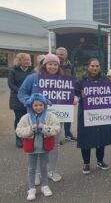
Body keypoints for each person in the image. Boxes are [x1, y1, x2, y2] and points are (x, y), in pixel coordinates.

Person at [18, 54, 64, 183]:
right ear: (44, 65)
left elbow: (66, 96)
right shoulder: (33, 78)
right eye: (50, 64)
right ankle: (37, 173)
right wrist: (29, 101)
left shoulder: (62, 80)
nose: (53, 66)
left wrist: (73, 100)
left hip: (55, 117)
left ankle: (50, 170)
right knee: (37, 144)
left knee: (54, 144)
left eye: (55, 64)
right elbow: (21, 93)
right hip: (35, 117)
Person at [16, 93, 60, 201]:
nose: (38, 107)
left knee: (44, 167)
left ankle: (45, 186)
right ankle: (31, 189)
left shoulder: (51, 116)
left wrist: (45, 128)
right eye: (35, 105)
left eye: (41, 105)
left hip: (45, 147)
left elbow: (57, 128)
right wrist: (30, 129)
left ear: (45, 105)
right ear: (31, 106)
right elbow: (18, 131)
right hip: (31, 148)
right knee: (31, 169)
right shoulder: (25, 118)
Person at [75, 58, 111, 174]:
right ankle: (86, 163)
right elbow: (75, 94)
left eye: (97, 66)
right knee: (86, 139)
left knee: (100, 138)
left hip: (101, 114)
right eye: (93, 66)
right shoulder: (81, 80)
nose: (95, 68)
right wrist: (80, 96)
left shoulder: (105, 79)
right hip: (86, 114)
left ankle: (100, 161)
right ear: (88, 67)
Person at [8, 53, 34, 148]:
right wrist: (22, 92)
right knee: (19, 119)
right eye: (25, 60)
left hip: (30, 99)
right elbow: (11, 85)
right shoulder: (13, 71)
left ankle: (26, 137)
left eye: (29, 60)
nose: (27, 61)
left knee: (28, 118)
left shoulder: (32, 71)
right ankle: (18, 138)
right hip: (17, 99)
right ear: (20, 61)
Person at [55, 47, 77, 142]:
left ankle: (68, 134)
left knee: (67, 115)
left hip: (67, 94)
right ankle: (56, 136)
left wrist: (74, 94)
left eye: (61, 54)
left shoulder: (70, 66)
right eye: (58, 54)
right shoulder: (52, 64)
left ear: (66, 55)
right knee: (56, 116)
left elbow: (74, 79)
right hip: (55, 95)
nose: (59, 56)